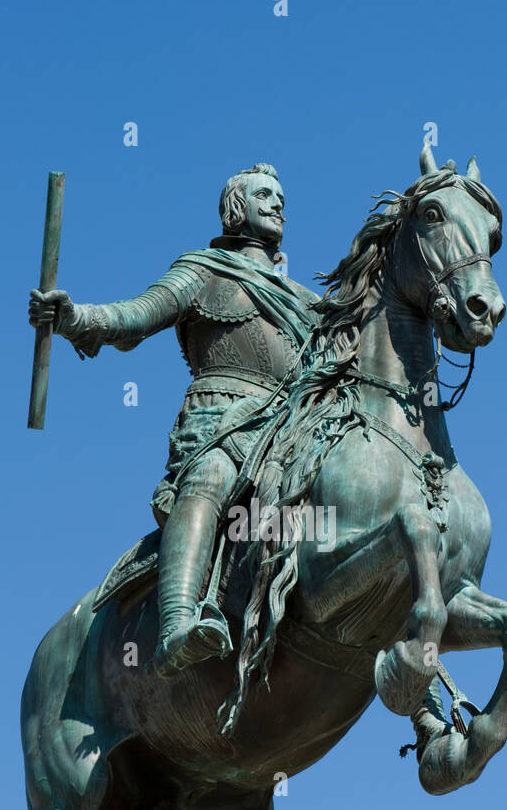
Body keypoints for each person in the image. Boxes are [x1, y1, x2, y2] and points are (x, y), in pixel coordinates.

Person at [29, 164, 320, 675]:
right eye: (264, 195)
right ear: (236, 208)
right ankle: (176, 628)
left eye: (281, 197)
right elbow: (136, 316)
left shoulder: (307, 302)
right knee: (210, 480)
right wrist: (75, 318)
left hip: (290, 431)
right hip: (223, 423)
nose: (278, 204)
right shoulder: (203, 270)